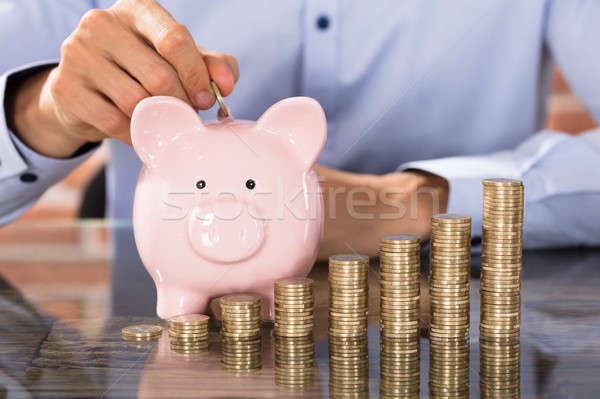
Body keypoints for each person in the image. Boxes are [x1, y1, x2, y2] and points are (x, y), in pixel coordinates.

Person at [2, 0, 600, 260]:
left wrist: (412, 201)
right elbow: (38, 102)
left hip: (446, 297)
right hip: (170, 323)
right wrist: (43, 111)